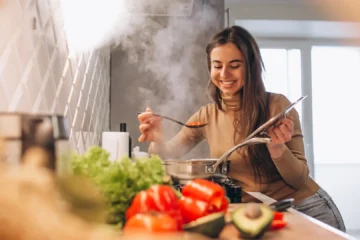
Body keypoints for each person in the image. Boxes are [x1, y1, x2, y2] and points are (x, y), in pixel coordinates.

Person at [137, 25, 346, 232]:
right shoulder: (207, 115)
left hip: (306, 208)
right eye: (217, 65)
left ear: (251, 66)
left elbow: (299, 179)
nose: (224, 74)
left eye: (234, 65)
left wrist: (278, 149)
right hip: (260, 213)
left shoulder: (277, 106)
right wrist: (157, 138)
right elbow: (166, 155)